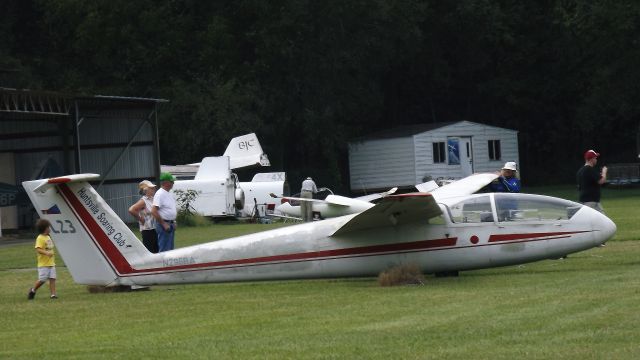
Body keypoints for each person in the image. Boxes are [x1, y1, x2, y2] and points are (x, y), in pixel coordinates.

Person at [27, 219, 57, 300]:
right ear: (45, 228)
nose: (50, 228)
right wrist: (46, 253)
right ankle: (33, 290)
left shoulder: (48, 237)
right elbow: (38, 249)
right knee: (42, 280)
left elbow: (49, 247)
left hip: (51, 263)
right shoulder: (40, 238)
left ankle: (53, 295)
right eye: (48, 227)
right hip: (43, 264)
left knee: (52, 279)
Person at [129, 180, 159, 253]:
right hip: (147, 231)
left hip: (155, 229)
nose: (154, 189)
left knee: (157, 251)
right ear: (145, 190)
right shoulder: (143, 201)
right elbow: (131, 210)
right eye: (151, 188)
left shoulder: (153, 199)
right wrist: (140, 219)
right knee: (150, 252)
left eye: (153, 188)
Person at [152, 172, 178, 252]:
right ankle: (163, 264)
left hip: (170, 224)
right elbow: (154, 211)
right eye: (171, 181)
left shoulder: (168, 193)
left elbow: (168, 209)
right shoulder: (160, 194)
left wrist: (173, 221)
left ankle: (169, 264)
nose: (173, 183)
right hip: (164, 225)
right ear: (166, 182)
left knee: (170, 249)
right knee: (164, 249)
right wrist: (164, 224)